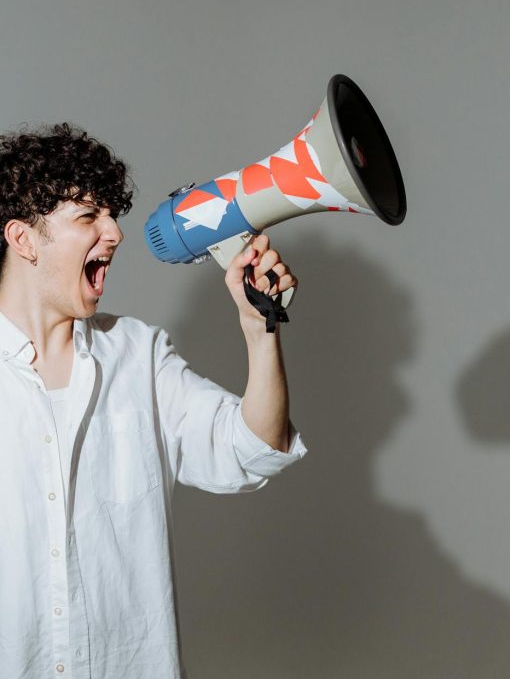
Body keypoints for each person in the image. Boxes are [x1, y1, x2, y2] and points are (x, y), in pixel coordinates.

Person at [0, 123, 307, 678]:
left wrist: (260, 329)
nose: (115, 233)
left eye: (112, 214)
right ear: (23, 239)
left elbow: (253, 447)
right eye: (89, 217)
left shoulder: (139, 355)